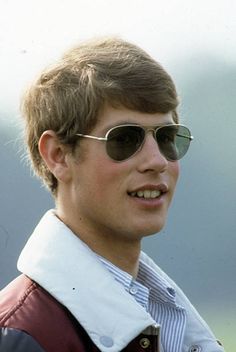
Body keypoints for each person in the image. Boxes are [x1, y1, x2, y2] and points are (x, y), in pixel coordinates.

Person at [0, 37, 224, 352]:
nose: (157, 161)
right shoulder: (20, 335)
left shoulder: (175, 319)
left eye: (167, 137)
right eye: (125, 139)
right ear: (58, 155)